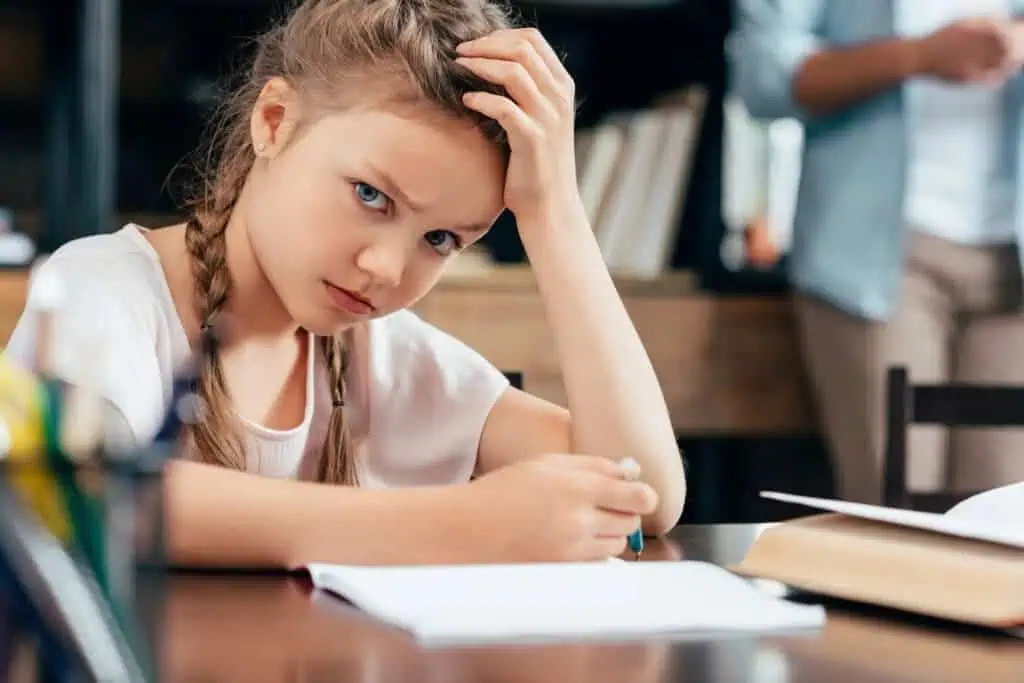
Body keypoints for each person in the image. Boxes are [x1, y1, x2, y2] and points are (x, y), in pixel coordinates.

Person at [4, 0, 686, 568]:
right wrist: (458, 524)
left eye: (441, 239)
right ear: (274, 122)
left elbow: (644, 495)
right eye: (370, 194)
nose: (387, 269)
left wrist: (555, 213)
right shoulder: (105, 289)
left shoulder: (390, 354)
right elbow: (97, 496)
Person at [728, 0, 1024, 505]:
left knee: (1002, 518)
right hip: (874, 260)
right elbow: (763, 77)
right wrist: (920, 56)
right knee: (895, 512)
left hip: (1013, 266)